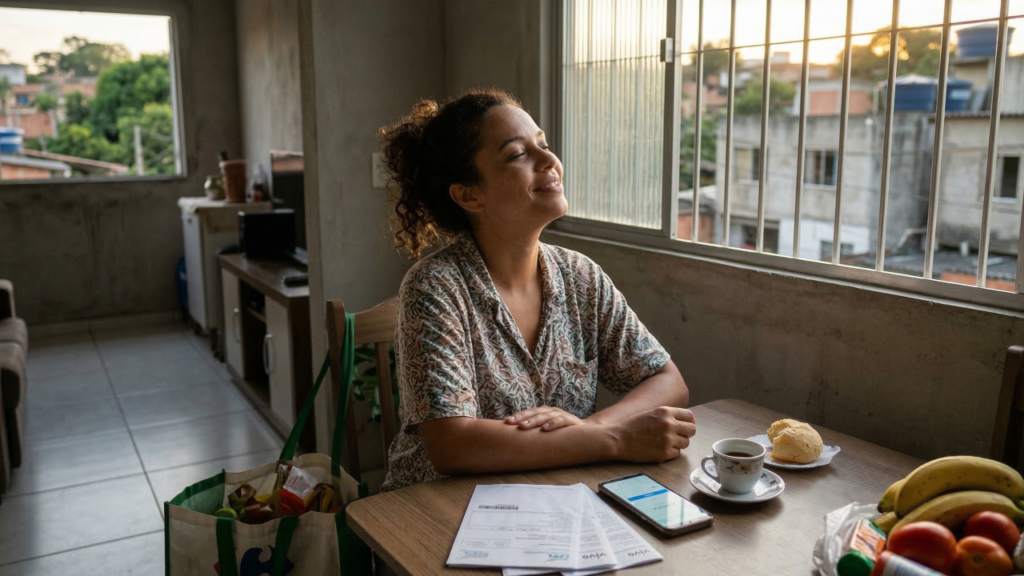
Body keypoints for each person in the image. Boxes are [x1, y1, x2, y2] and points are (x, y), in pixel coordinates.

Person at [377, 89, 694, 492]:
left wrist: (590, 428)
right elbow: (452, 445)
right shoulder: (436, 287)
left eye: (543, 145)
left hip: (555, 499)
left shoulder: (581, 276)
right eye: (517, 155)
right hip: (438, 510)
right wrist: (615, 439)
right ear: (468, 195)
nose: (550, 161)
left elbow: (668, 381)